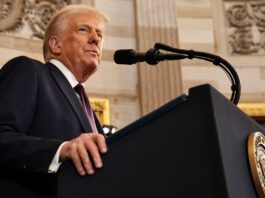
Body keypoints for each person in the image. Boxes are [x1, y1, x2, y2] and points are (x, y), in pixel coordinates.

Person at [0, 5, 110, 177]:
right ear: (56, 44)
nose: (95, 39)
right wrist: (61, 150)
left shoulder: (85, 105)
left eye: (100, 34)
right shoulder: (29, 71)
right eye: (83, 30)